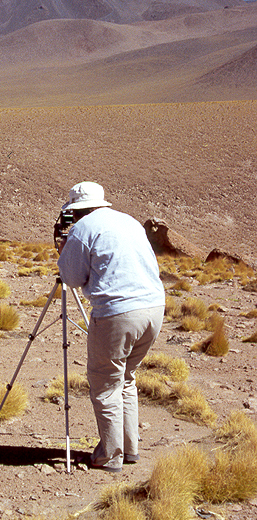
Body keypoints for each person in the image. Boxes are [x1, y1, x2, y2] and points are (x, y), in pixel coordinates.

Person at [57, 181, 165, 473]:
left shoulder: (82, 229)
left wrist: (64, 248)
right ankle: (130, 450)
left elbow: (71, 278)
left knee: (105, 383)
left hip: (118, 312)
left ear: (76, 211)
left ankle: (110, 456)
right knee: (125, 377)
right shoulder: (127, 221)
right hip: (153, 309)